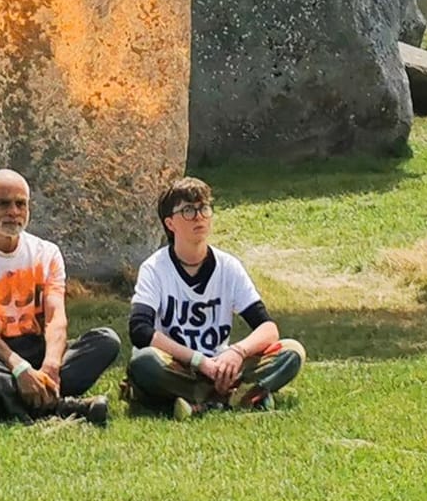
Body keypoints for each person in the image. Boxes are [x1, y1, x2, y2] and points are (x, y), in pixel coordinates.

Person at [0, 169, 119, 425]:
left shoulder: (47, 253)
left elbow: (56, 318)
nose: (13, 211)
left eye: (20, 203)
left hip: (37, 349)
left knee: (106, 341)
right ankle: (59, 405)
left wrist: (50, 366)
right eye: (3, 204)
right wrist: (20, 369)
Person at [123, 177, 305, 417]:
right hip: (180, 366)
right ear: (170, 223)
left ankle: (199, 400)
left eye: (204, 208)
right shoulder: (155, 268)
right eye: (188, 210)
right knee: (144, 361)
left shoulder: (228, 266)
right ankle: (236, 396)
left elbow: (267, 327)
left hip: (223, 366)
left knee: (292, 351)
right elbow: (140, 330)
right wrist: (199, 362)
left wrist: (236, 353)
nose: (199, 216)